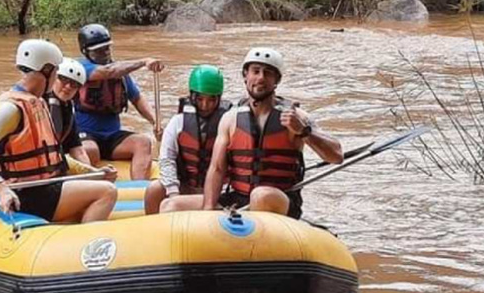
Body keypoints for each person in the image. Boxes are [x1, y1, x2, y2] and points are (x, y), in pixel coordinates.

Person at [0, 39, 117, 223]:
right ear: (47, 70)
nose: (57, 76)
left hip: (45, 187)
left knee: (99, 184)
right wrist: (0, 188)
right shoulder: (9, 108)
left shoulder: (36, 103)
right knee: (107, 191)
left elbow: (53, 157)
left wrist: (91, 172)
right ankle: (90, 247)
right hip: (24, 194)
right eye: (56, 72)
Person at [202, 47, 343, 219]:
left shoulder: (297, 117)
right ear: (245, 76)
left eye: (268, 73)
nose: (261, 78)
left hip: (279, 201)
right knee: (172, 205)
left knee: (260, 195)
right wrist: (208, 211)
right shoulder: (230, 119)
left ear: (277, 80)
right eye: (255, 71)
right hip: (238, 200)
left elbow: (336, 156)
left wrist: (304, 132)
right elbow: (216, 168)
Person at [74, 23, 164, 180]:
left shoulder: (122, 73)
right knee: (91, 151)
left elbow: (136, 98)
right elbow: (109, 72)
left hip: (112, 136)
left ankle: (139, 190)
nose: (105, 53)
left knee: (143, 142)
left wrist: (155, 121)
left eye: (107, 48)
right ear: (85, 52)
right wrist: (143, 62)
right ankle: (95, 188)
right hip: (86, 134)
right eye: (98, 51)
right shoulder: (81, 68)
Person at [144, 65, 232, 215]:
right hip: (184, 187)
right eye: (200, 99)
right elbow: (167, 160)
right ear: (192, 97)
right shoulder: (177, 122)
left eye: (211, 100)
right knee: (154, 189)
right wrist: (173, 193)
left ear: (219, 98)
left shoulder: (229, 122)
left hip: (217, 190)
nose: (205, 105)